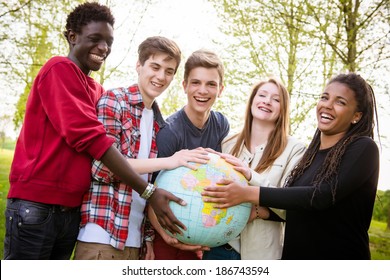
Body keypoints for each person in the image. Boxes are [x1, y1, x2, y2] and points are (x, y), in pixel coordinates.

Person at [4, 3, 185, 260]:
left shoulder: (98, 91)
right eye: (95, 39)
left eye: (108, 42)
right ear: (72, 36)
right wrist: (148, 191)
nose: (104, 48)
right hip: (37, 204)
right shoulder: (59, 69)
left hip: (70, 210)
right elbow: (91, 139)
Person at [203, 73, 380, 260]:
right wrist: (262, 212)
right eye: (324, 97)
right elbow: (294, 203)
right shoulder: (311, 154)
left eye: (340, 102)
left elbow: (321, 196)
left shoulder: (363, 148)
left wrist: (248, 193)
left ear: (356, 116)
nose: (327, 105)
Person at [73, 36, 209, 260]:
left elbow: (149, 185)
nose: (161, 76)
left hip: (134, 242)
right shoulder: (114, 100)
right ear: (139, 65)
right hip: (102, 236)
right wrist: (171, 160)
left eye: (169, 71)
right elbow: (103, 168)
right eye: (155, 67)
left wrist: (147, 238)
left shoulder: (158, 122)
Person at [202, 78, 306, 260]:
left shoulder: (295, 149)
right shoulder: (228, 143)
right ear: (252, 101)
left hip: (260, 254)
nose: (267, 101)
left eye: (276, 99)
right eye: (262, 95)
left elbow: (293, 205)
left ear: (283, 109)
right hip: (218, 248)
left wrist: (251, 176)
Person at [149, 49, 230, 260]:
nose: (202, 90)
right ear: (184, 86)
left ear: (220, 89)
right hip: (168, 231)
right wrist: (160, 236)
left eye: (211, 84)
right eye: (196, 82)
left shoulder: (221, 124)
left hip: (203, 232)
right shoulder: (170, 132)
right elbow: (150, 190)